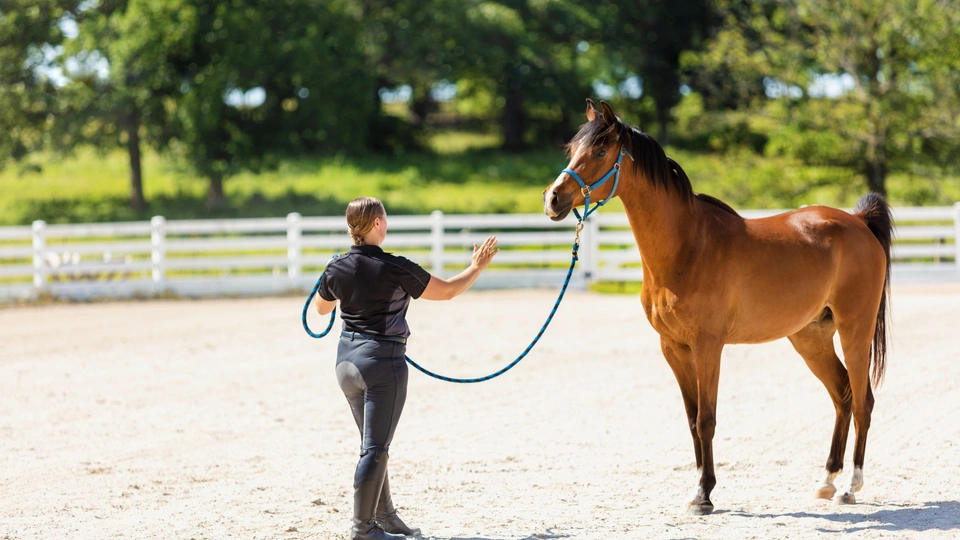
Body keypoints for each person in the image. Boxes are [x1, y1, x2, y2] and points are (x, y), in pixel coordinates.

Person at [315, 197, 499, 540]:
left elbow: (322, 310)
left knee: (372, 445)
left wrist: (335, 279)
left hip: (345, 364)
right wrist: (477, 266)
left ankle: (385, 516)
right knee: (375, 448)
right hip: (381, 364)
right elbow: (447, 292)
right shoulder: (396, 267)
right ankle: (363, 529)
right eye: (385, 218)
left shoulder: (335, 267)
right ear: (376, 225)